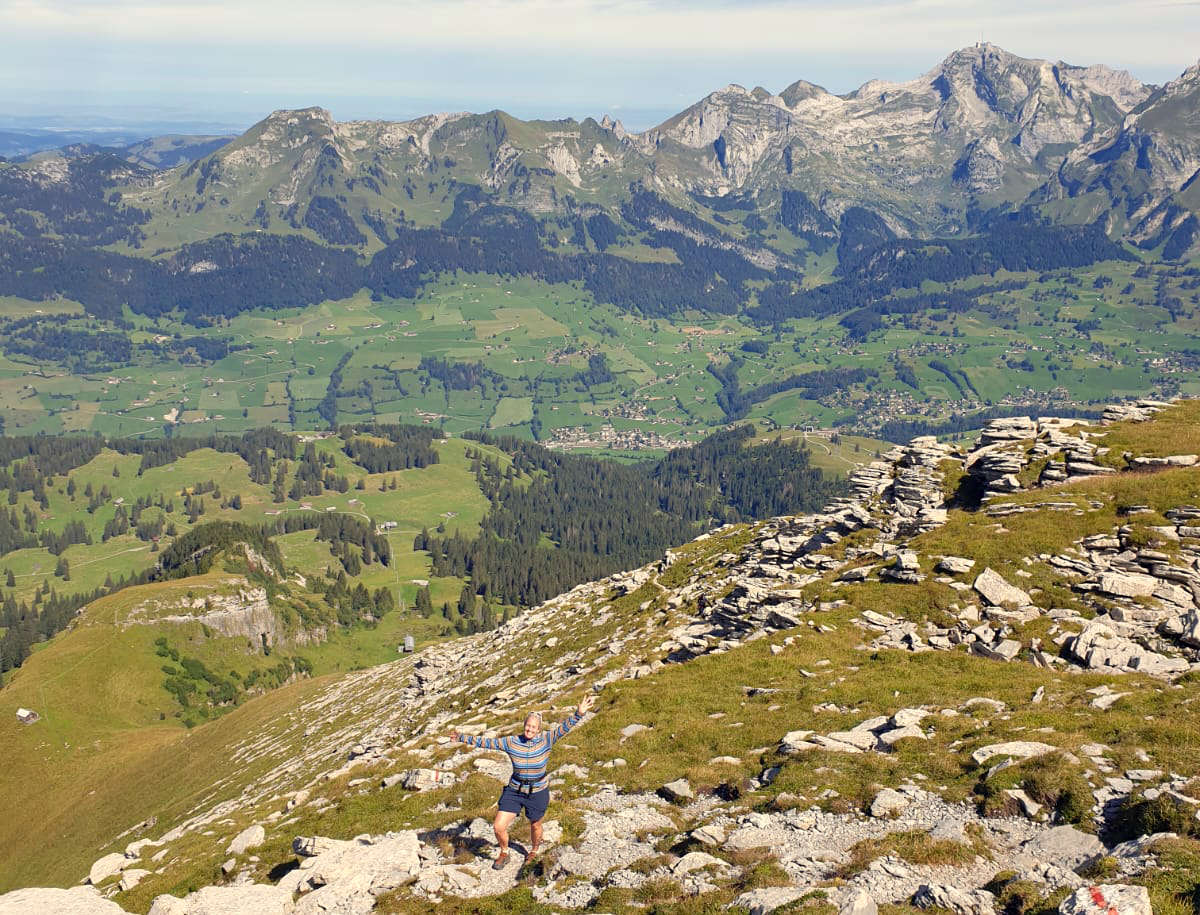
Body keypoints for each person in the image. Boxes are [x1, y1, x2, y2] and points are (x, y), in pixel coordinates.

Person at [450, 694, 595, 869]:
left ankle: (534, 850)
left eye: (534, 727)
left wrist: (579, 713)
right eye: (528, 725)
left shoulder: (547, 740)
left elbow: (564, 728)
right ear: (524, 725)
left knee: (535, 825)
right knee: (498, 826)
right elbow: (487, 742)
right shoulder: (512, 742)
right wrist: (461, 738)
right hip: (515, 791)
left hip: (537, 791)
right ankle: (504, 852)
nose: (530, 729)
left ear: (539, 729)